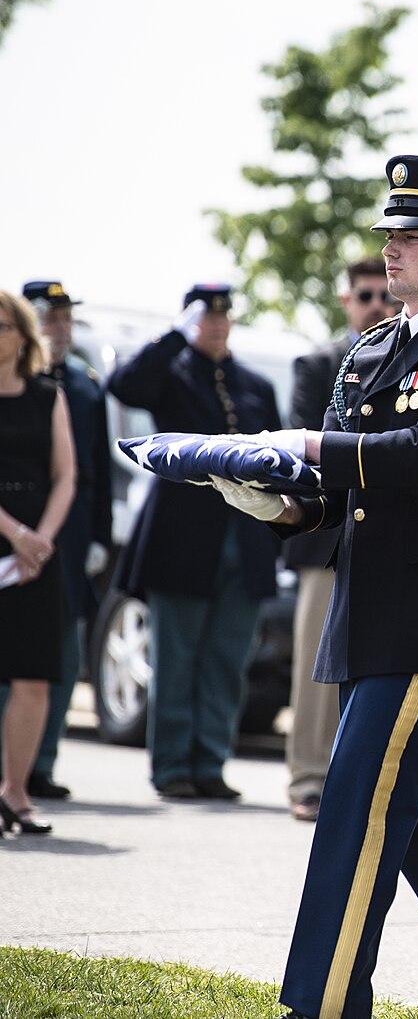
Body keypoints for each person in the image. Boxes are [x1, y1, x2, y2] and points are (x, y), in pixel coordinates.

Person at [214, 155, 418, 1019]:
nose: (390, 248)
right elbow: (335, 494)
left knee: (355, 803)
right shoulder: (369, 347)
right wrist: (276, 499)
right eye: (389, 233)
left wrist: (311, 448)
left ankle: (322, 1001)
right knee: (417, 812)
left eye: (412, 234)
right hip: (372, 611)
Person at [109, 283, 282, 801]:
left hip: (245, 537)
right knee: (177, 658)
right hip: (182, 539)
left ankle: (210, 763)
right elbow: (125, 386)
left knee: (226, 662)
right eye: (206, 317)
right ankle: (171, 767)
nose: (216, 324)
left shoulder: (252, 383)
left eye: (222, 316)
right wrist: (171, 338)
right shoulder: (172, 374)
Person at [281, 257, 396, 822]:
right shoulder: (319, 362)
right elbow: (307, 448)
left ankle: (359, 784)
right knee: (317, 667)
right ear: (347, 301)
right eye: (365, 295)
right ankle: (307, 779)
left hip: (389, 534)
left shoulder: (407, 356)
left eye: (384, 295)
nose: (377, 304)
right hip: (327, 534)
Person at [27, 281, 111, 800]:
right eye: (50, 317)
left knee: (60, 654)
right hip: (14, 536)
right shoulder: (14, 381)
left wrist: (99, 536)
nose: (60, 328)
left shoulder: (83, 386)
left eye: (64, 318)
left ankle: (41, 763)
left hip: (71, 542)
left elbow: (95, 471)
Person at [0, 290, 74, 835]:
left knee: (33, 678)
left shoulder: (47, 395)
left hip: (36, 555)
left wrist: (41, 540)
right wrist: (15, 534)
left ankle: (16, 793)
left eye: (3, 327)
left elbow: (66, 474)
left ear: (23, 337)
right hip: (9, 534)